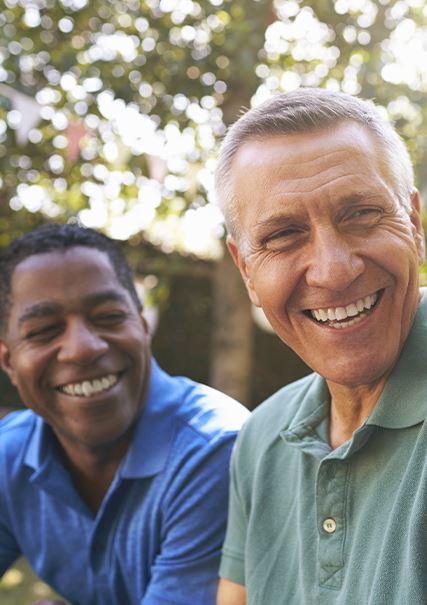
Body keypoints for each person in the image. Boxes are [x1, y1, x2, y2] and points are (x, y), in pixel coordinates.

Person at [214, 88, 427, 605]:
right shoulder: (262, 438)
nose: (333, 270)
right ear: (245, 270)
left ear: (415, 225)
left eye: (362, 214)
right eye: (284, 235)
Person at [0, 223, 249, 605]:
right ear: (9, 361)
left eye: (108, 316)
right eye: (45, 330)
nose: (82, 348)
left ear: (143, 325)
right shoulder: (9, 456)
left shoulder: (215, 448)